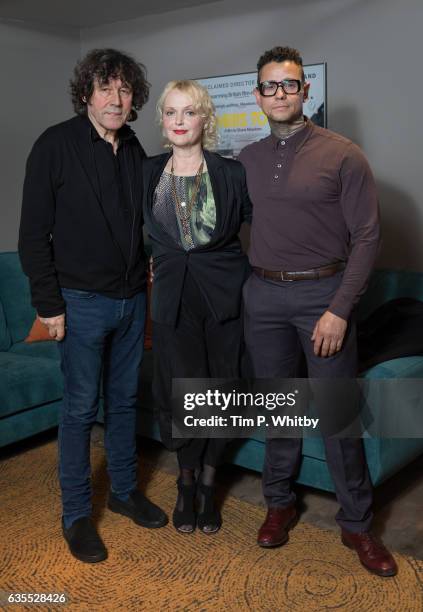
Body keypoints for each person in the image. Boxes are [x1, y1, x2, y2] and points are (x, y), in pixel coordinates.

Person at [238, 46, 397, 577]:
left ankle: (357, 525)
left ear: (307, 91)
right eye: (269, 86)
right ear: (258, 95)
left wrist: (339, 309)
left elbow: (369, 237)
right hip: (262, 298)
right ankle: (279, 503)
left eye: (290, 84)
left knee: (335, 414)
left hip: (322, 299)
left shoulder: (343, 154)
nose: (279, 93)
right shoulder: (248, 159)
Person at [18, 48, 168, 564]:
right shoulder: (55, 145)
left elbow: (141, 221)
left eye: (125, 90)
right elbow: (32, 236)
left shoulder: (131, 147)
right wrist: (48, 304)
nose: (116, 99)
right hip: (78, 303)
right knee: (81, 410)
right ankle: (77, 515)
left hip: (131, 300)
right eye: (106, 88)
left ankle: (124, 493)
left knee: (123, 403)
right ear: (86, 93)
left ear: (134, 101)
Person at [142, 80, 251, 534]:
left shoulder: (231, 172)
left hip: (224, 295)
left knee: (221, 389)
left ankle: (209, 481)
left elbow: (265, 229)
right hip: (172, 298)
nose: (180, 121)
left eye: (190, 112)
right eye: (171, 112)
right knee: (182, 390)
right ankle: (185, 481)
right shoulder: (145, 171)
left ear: (204, 118)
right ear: (163, 121)